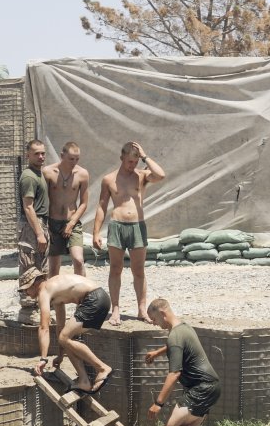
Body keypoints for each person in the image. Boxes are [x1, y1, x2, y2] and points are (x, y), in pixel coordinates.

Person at [143, 298, 224, 426]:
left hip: (201, 387)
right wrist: (158, 352)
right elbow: (178, 345)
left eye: (154, 319)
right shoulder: (183, 328)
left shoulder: (174, 336)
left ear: (162, 313)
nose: (154, 323)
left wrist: (158, 403)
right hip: (209, 387)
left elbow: (174, 374)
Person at [93, 141, 165, 326]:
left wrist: (145, 156)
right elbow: (102, 206)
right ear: (122, 158)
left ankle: (141, 309)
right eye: (129, 162)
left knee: (138, 270)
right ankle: (115, 309)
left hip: (137, 226)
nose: (132, 165)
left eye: (135, 162)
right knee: (115, 269)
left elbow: (161, 175)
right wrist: (95, 232)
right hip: (117, 225)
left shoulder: (141, 176)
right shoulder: (109, 179)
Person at [19, 268, 113, 394]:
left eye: (26, 289)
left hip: (94, 299)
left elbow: (44, 328)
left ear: (36, 283)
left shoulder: (44, 291)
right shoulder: (55, 291)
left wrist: (43, 359)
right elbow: (60, 327)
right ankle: (84, 381)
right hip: (101, 299)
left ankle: (102, 368)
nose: (25, 293)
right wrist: (60, 355)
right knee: (65, 337)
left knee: (64, 338)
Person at [44, 141, 90, 278]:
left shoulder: (82, 174)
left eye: (77, 159)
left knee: (78, 260)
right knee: (53, 267)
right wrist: (44, 225)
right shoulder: (48, 172)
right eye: (71, 159)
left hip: (72, 221)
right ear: (62, 155)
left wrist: (71, 223)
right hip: (53, 223)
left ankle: (83, 293)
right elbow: (41, 200)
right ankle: (55, 296)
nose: (74, 162)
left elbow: (84, 203)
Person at [18, 140, 50, 306]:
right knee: (29, 266)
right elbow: (28, 207)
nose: (41, 156)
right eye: (36, 153)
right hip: (33, 225)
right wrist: (39, 233)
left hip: (41, 223)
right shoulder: (29, 176)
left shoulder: (39, 173)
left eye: (43, 153)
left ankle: (39, 305)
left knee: (41, 267)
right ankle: (28, 307)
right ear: (28, 155)